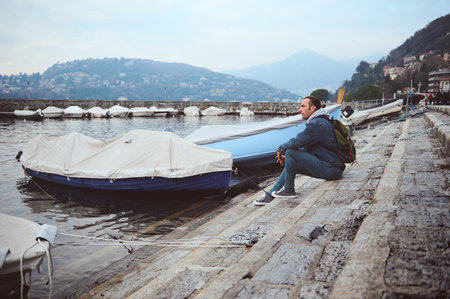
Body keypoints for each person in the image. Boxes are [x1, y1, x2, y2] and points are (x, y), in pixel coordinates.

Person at [253, 96, 345, 205]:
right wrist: (288, 158)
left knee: (290, 151)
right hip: (332, 168)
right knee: (291, 163)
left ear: (313, 109)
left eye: (303, 106)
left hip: (331, 169)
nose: (299, 110)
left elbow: (297, 141)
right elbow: (304, 148)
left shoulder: (317, 124)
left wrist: (280, 148)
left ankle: (289, 189)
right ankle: (271, 194)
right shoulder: (320, 121)